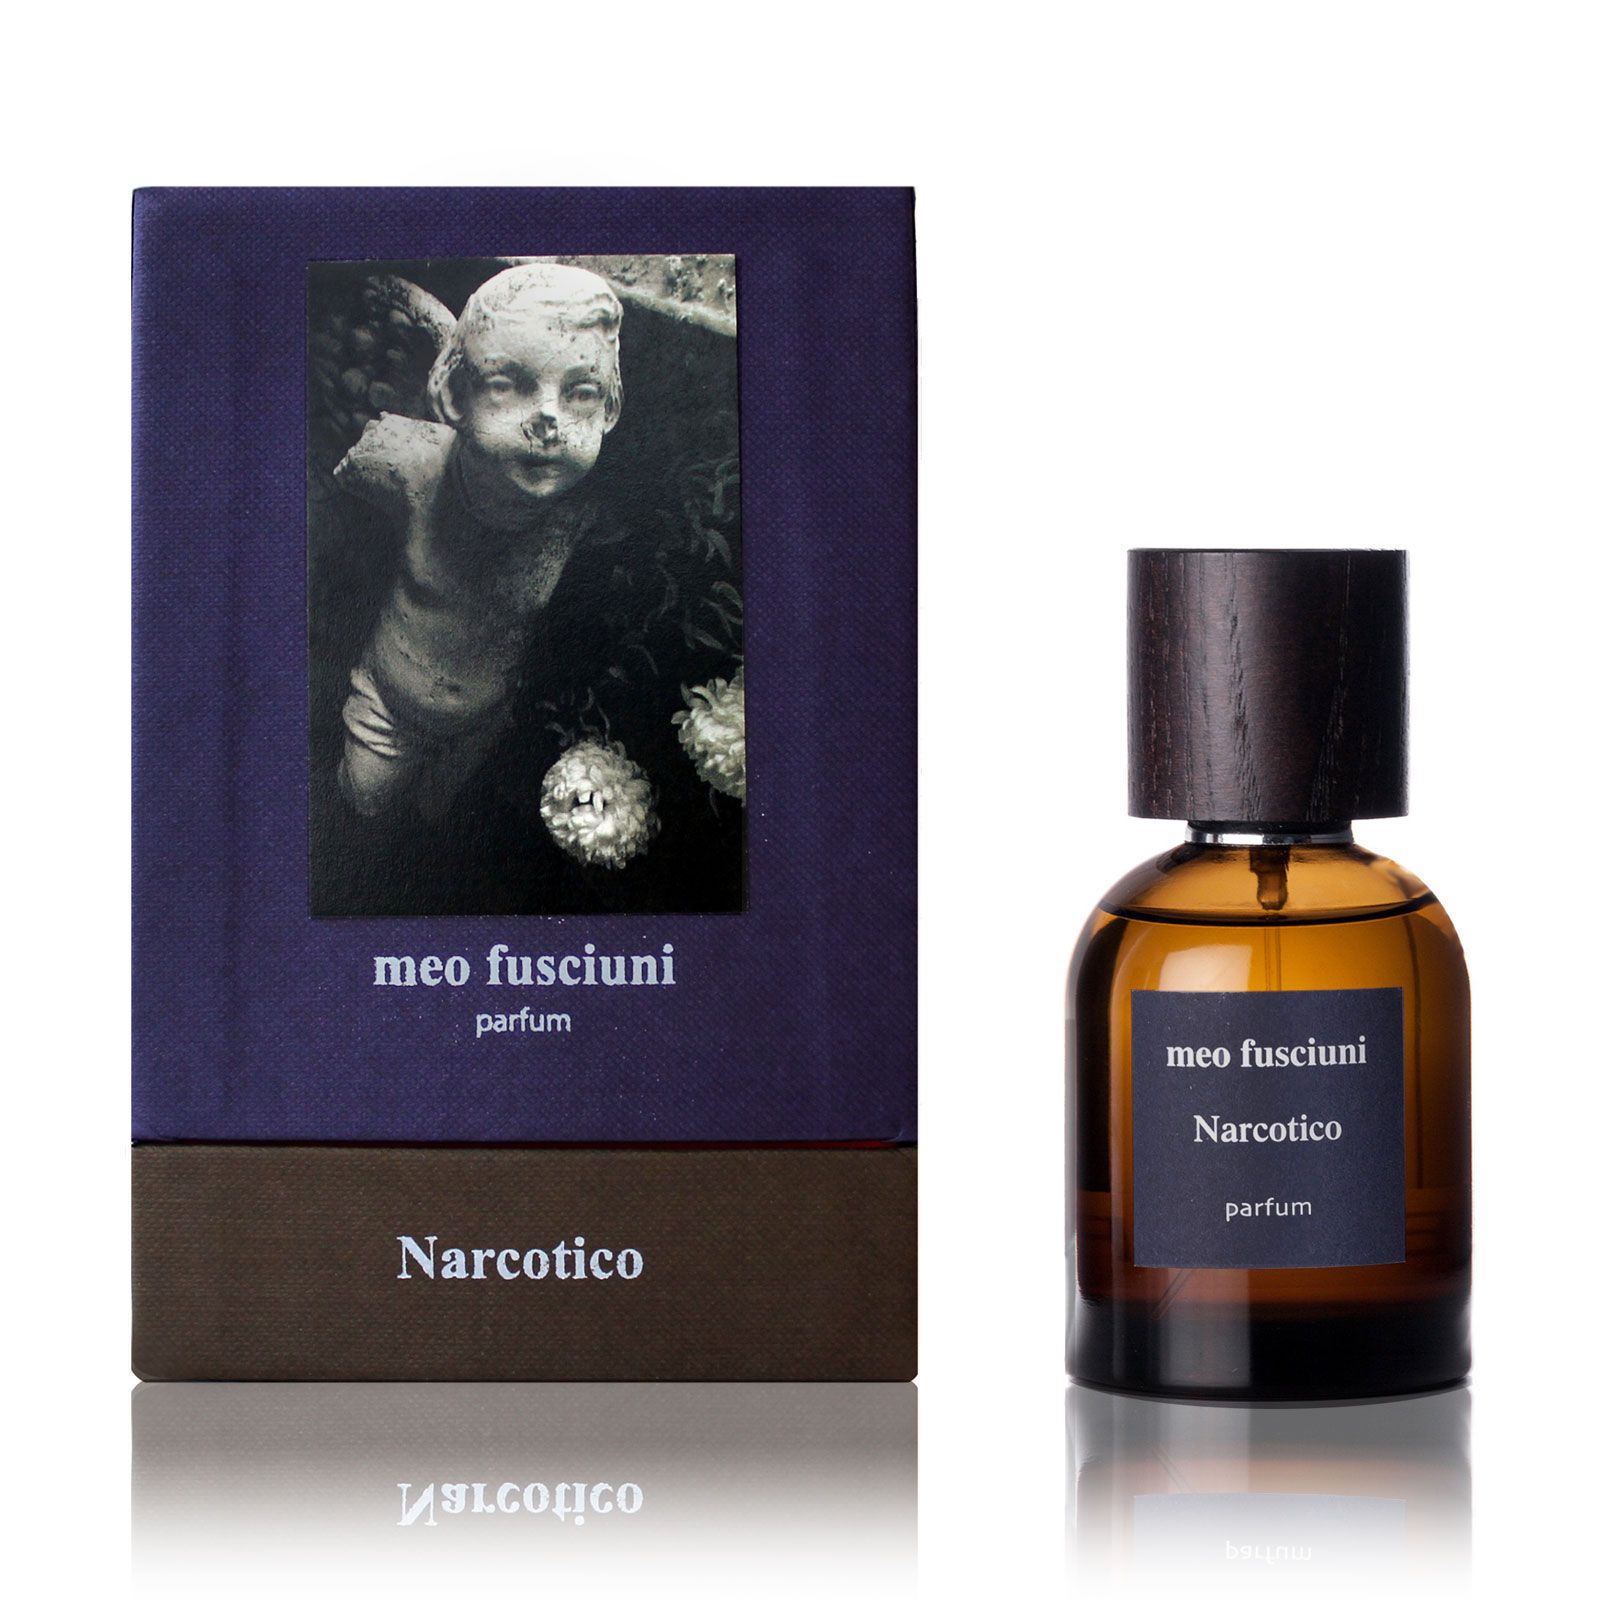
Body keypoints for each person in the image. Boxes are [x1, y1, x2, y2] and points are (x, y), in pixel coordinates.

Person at [334, 262, 623, 819]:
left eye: (582, 392)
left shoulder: (580, 520)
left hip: (487, 717)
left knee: (439, 818)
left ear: (610, 409)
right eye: (505, 384)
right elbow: (332, 526)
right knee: (364, 802)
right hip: (389, 703)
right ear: (452, 394)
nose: (548, 418)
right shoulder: (406, 461)